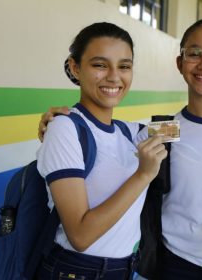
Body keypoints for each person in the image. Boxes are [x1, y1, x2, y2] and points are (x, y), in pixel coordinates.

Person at [40, 19, 202, 279]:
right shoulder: (168, 130)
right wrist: (59, 123)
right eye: (194, 54)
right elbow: (80, 234)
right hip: (170, 265)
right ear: (180, 64)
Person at [35, 22, 169, 280]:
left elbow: (192, 123)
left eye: (124, 66)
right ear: (75, 68)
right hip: (77, 271)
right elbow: (80, 236)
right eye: (100, 65)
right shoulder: (65, 129)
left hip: (123, 268)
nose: (114, 76)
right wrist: (142, 175)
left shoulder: (130, 132)